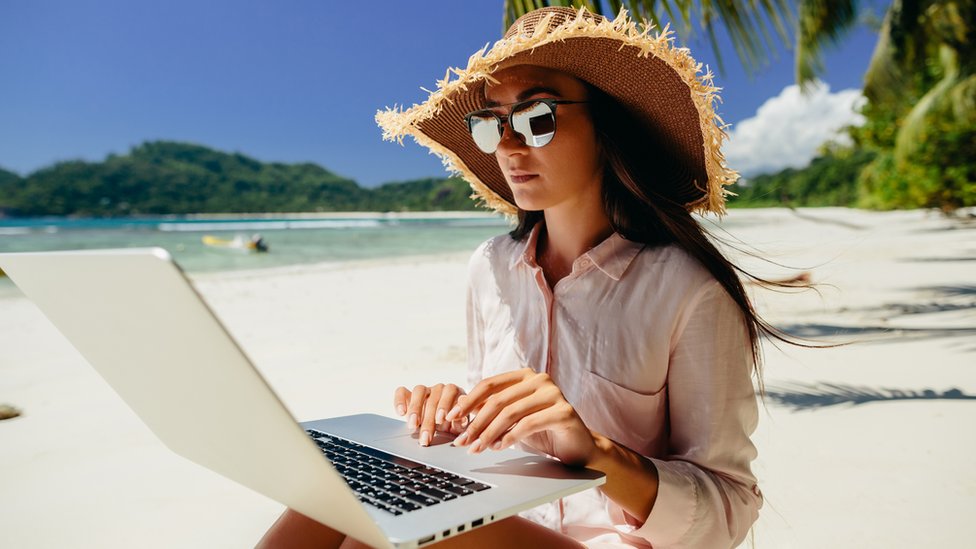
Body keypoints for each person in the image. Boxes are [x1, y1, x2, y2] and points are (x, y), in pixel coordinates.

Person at [261, 7, 766, 548]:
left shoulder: (687, 290)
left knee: (395, 531)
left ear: (607, 123)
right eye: (491, 122)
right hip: (503, 525)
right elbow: (502, 455)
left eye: (536, 116)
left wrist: (595, 452)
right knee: (344, 485)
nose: (507, 144)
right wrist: (457, 425)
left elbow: (729, 507)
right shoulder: (491, 268)